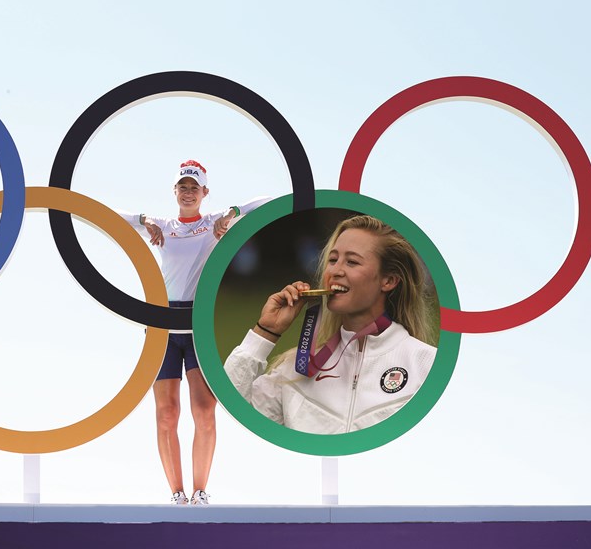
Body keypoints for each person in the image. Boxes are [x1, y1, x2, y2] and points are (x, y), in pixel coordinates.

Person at [120, 160, 270, 505]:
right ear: (174, 191)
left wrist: (231, 213)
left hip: (199, 323)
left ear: (205, 193)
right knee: (167, 413)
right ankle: (177, 493)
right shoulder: (161, 225)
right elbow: (103, 214)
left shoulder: (214, 222)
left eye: (194, 187)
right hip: (162, 323)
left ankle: (201, 491)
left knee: (204, 409)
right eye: (182, 187)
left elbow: (268, 202)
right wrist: (143, 220)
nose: (188, 193)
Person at [224, 214, 438, 434]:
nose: (335, 271)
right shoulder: (295, 370)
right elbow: (226, 419)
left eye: (352, 262)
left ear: (388, 281)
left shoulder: (426, 365)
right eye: (333, 260)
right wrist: (265, 332)